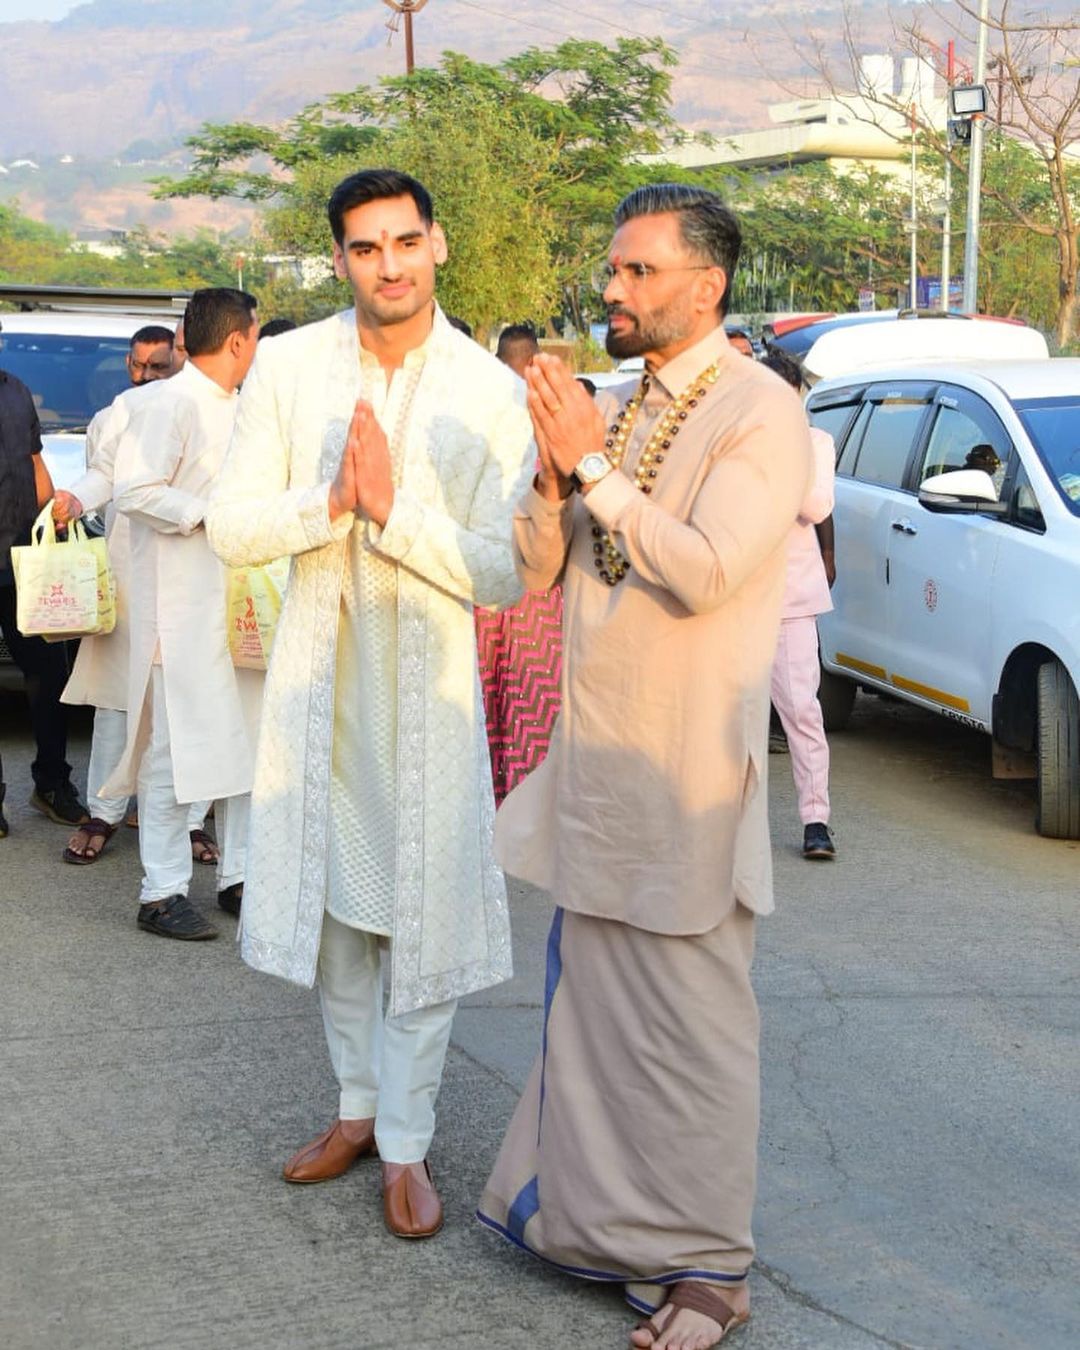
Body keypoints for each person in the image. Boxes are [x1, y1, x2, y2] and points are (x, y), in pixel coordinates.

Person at [477, 183, 812, 1349]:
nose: (610, 290)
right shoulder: (621, 410)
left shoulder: (761, 412)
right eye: (612, 270)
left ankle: (714, 1267)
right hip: (602, 766)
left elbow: (710, 567)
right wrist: (549, 470)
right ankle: (615, 1232)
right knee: (601, 1020)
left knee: (693, 1032)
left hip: (685, 775)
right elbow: (535, 573)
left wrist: (598, 473)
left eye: (637, 272)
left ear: (706, 286)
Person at [205, 169, 535, 1238]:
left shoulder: (490, 390)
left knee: (423, 916)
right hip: (321, 681)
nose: (388, 265)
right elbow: (231, 527)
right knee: (341, 919)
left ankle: (406, 1141)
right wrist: (330, 503)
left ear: (439, 244)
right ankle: (354, 1110)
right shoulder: (292, 369)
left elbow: (499, 571)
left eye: (405, 242)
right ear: (339, 259)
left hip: (429, 697)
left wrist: (391, 518)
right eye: (364, 247)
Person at [100, 288, 262, 939]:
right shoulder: (168, 403)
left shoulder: (245, 409)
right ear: (236, 341)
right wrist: (206, 515)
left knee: (248, 747)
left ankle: (239, 877)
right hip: (181, 612)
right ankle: (160, 892)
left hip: (242, 606)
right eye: (253, 339)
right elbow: (134, 489)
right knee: (175, 755)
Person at [54, 319, 218, 868]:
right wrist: (76, 499)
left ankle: (191, 821)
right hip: (130, 571)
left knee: (190, 702)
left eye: (160, 365)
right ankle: (104, 809)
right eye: (138, 364)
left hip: (200, 573)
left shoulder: (218, 410)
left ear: (184, 357)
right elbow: (105, 474)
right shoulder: (116, 415)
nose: (147, 376)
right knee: (117, 700)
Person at [0, 319, 88, 837]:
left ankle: (52, 784)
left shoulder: (14, 391)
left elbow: (34, 461)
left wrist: (52, 513)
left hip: (19, 563)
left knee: (47, 675)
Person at [476, 322, 563, 803]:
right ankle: (527, 803)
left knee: (486, 697)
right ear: (534, 362)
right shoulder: (551, 415)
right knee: (531, 699)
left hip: (484, 579)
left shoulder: (477, 410)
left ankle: (487, 802)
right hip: (538, 587)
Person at [760, 349, 837, 860]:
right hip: (727, 600)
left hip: (790, 599)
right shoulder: (728, 438)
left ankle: (816, 820)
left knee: (802, 712)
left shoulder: (815, 443)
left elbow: (815, 506)